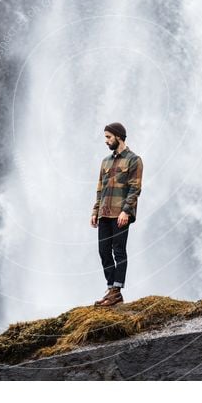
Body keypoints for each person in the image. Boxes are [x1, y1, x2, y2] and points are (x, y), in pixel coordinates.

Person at [90, 122, 143, 306]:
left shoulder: (134, 160)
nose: (106, 141)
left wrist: (126, 211)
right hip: (104, 213)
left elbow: (135, 189)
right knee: (103, 252)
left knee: (118, 251)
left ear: (118, 137)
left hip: (121, 214)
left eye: (108, 137)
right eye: (105, 137)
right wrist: (95, 211)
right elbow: (100, 188)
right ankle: (111, 288)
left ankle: (117, 291)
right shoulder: (105, 161)